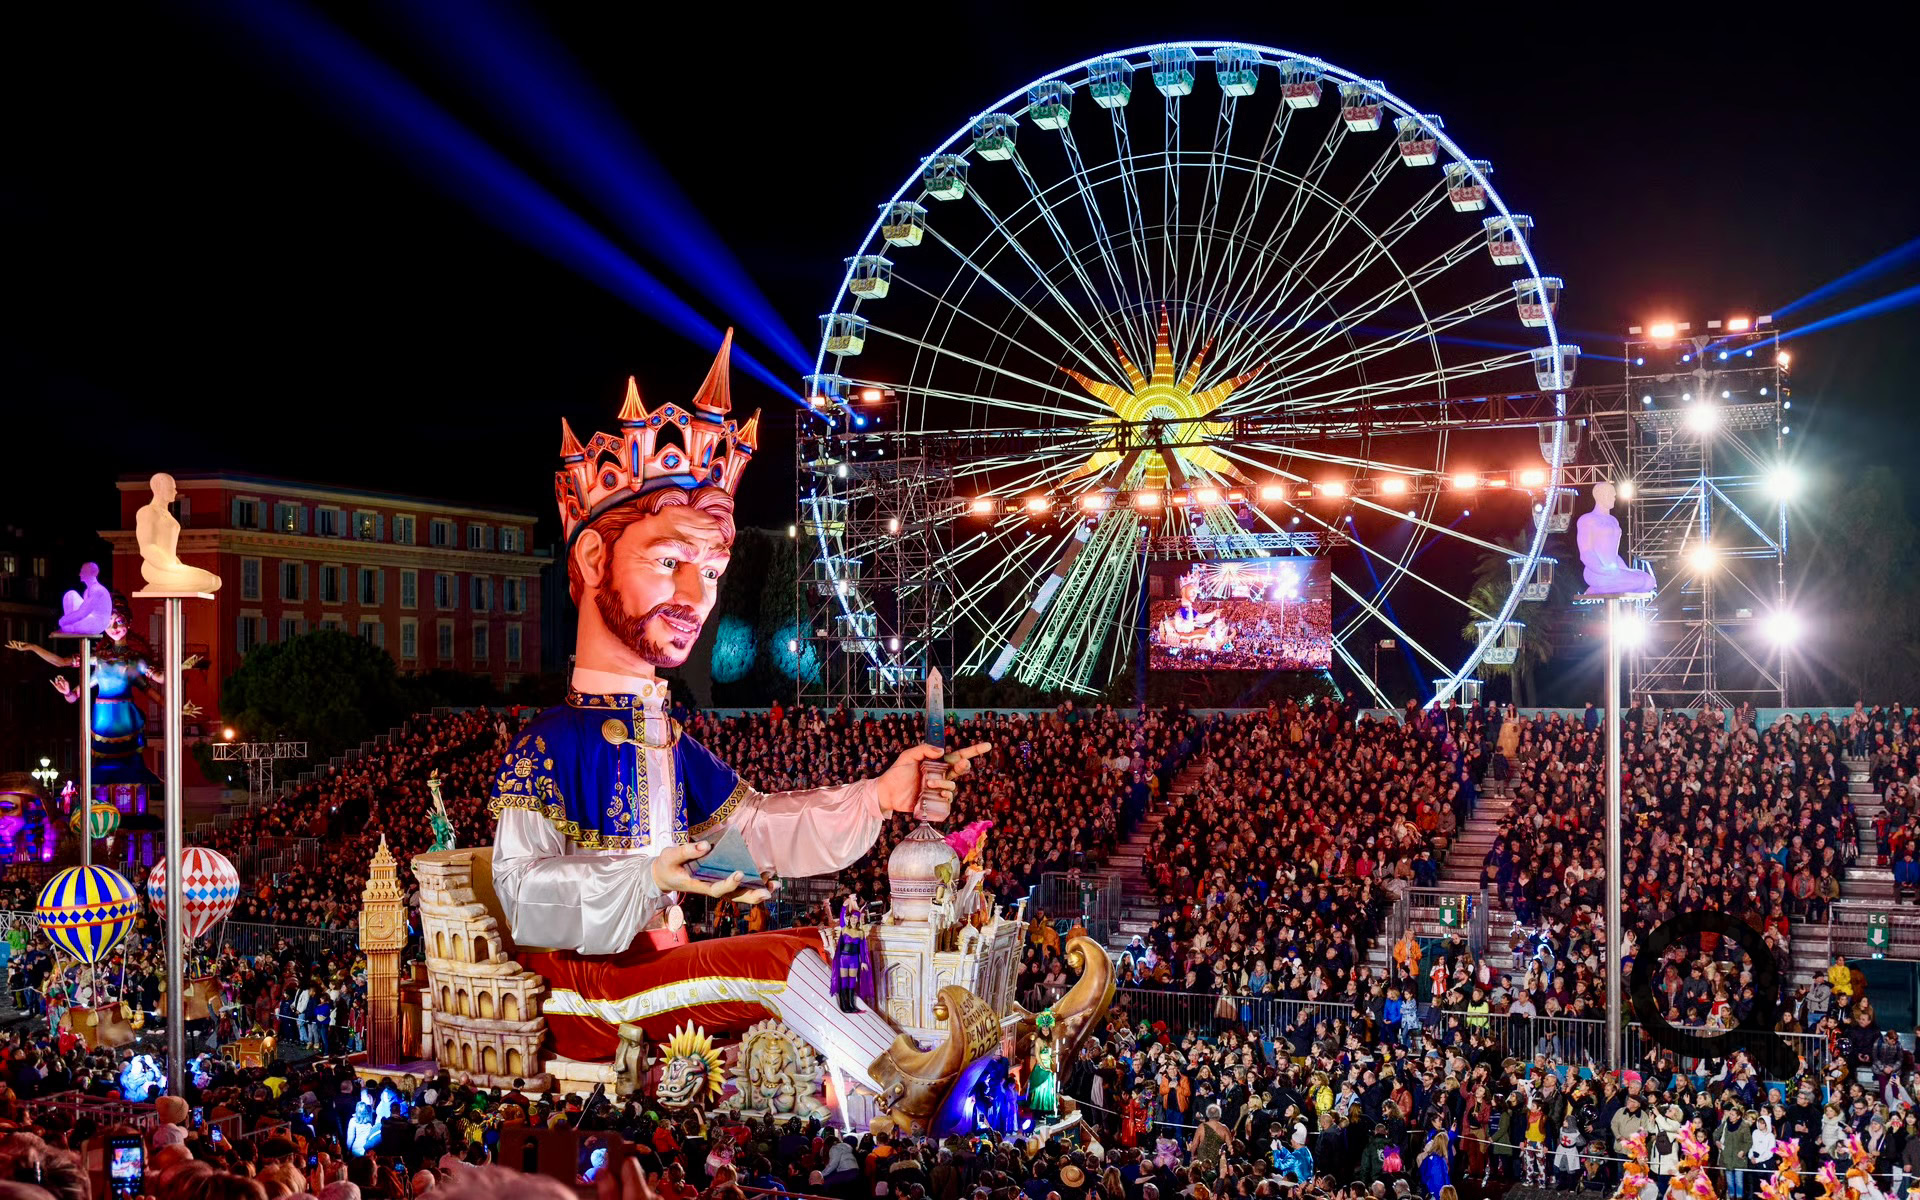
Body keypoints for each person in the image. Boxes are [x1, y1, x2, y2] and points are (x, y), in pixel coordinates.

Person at [485, 333, 997, 1124]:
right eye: (669, 561)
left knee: (816, 948)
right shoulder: (548, 744)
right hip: (589, 990)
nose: (699, 593)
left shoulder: (668, 737)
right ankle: (910, 1088)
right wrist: (646, 879)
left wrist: (878, 796)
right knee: (782, 958)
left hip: (664, 970)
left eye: (715, 571)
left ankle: (893, 1086)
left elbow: (752, 833)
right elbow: (521, 899)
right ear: (590, 559)